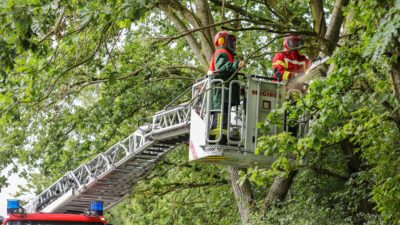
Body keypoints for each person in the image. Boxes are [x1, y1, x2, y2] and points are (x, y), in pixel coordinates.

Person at [208, 30, 245, 144]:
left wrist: (240, 89)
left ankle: (221, 139)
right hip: (221, 92)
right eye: (231, 40)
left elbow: (230, 76)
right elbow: (222, 68)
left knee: (223, 116)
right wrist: (236, 65)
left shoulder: (227, 54)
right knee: (220, 116)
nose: (233, 44)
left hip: (225, 92)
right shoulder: (221, 51)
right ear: (222, 40)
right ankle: (218, 140)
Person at [272, 34, 310, 137]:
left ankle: (291, 140)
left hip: (297, 94)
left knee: (294, 118)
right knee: (283, 118)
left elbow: (310, 71)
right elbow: (278, 73)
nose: (295, 45)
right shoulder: (280, 55)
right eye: (293, 42)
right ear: (286, 42)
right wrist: (293, 76)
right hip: (282, 92)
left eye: (297, 42)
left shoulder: (303, 59)